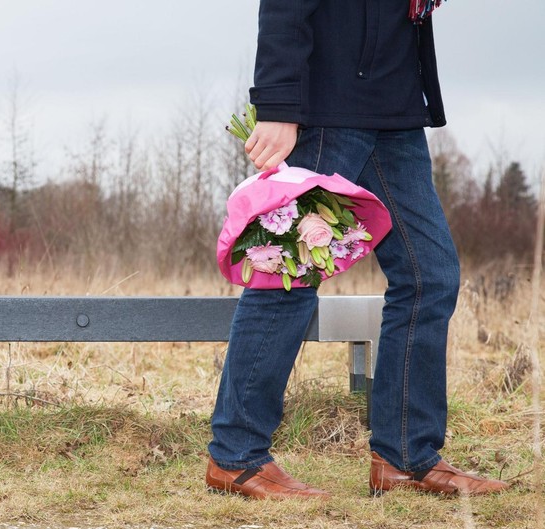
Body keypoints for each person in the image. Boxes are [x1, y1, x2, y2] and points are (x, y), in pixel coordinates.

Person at [206, 1, 509, 499]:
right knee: (288, 275)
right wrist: (278, 105)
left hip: (397, 112)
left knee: (429, 277)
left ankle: (406, 456)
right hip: (326, 110)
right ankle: (236, 456)